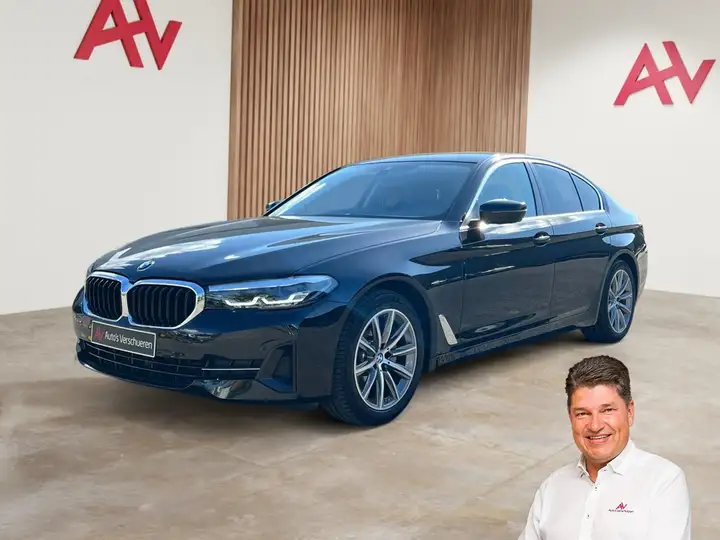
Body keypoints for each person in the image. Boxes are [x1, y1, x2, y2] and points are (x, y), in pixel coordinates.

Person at [518, 355, 691, 540]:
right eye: (582, 413)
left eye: (607, 410)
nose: (595, 425)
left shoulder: (663, 481)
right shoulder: (552, 487)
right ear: (571, 418)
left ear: (630, 412)